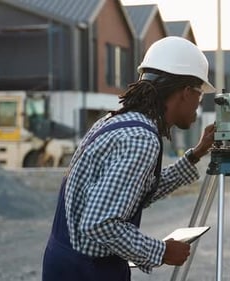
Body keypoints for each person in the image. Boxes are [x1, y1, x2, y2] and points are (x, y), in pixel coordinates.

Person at [42, 36, 216, 281]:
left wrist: (196, 153)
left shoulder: (116, 121)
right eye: (200, 95)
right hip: (87, 272)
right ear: (186, 92)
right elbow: (100, 223)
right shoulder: (141, 140)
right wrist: (162, 251)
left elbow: (132, 193)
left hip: (69, 262)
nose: (199, 105)